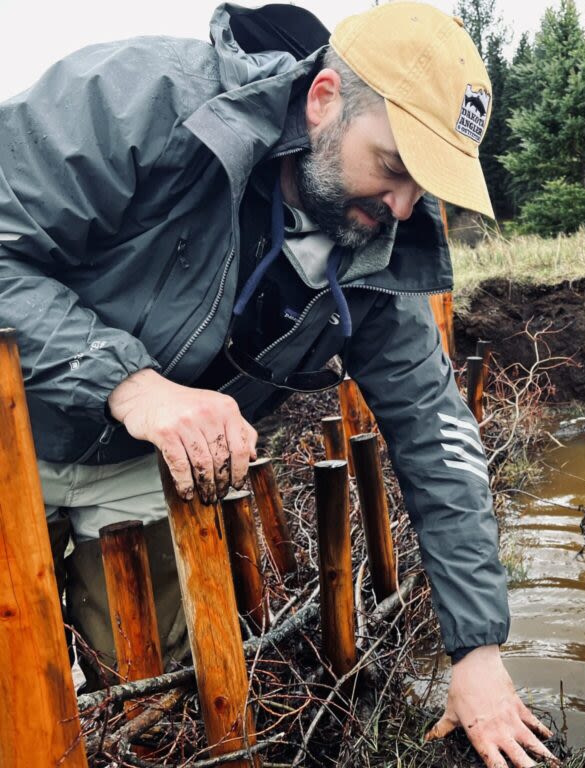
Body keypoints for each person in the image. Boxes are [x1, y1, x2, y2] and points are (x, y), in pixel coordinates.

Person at [0, 3, 556, 766]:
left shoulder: (379, 252)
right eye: (393, 167)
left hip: (132, 474)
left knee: (149, 709)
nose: (400, 207)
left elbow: (437, 436)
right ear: (323, 99)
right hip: (10, 423)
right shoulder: (139, 98)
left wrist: (477, 649)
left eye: (425, 187)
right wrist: (129, 382)